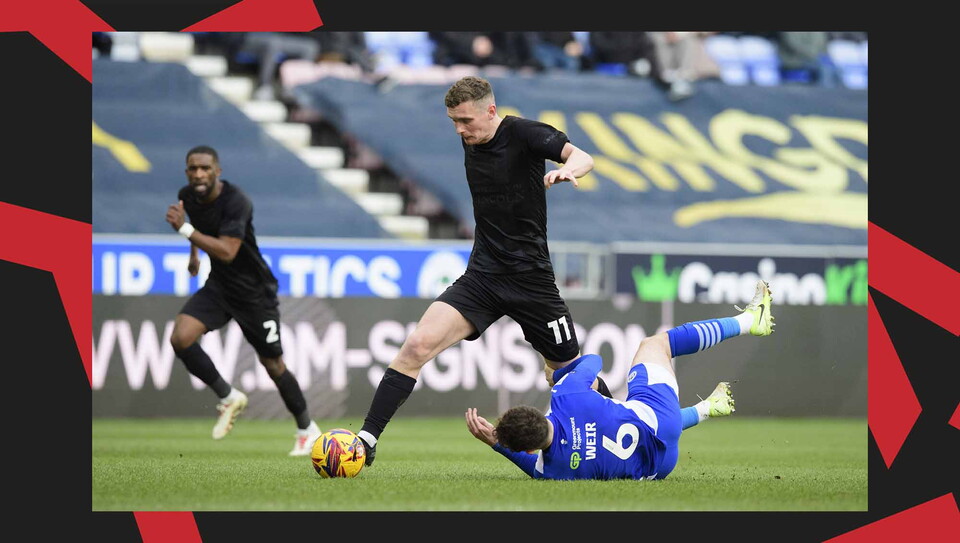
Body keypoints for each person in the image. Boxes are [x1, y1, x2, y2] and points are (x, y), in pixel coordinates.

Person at [355, 75, 596, 466]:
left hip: (532, 281)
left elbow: (581, 155)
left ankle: (627, 430)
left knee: (566, 376)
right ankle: (366, 440)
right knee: (416, 346)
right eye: (453, 121)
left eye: (466, 120)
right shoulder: (471, 135)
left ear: (491, 110)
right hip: (482, 276)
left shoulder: (524, 133)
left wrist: (569, 171)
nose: (459, 129)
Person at [465, 280, 775, 480]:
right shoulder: (565, 396)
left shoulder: (554, 472)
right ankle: (750, 321)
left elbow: (531, 469)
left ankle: (708, 408)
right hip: (659, 420)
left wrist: (496, 444)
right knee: (654, 346)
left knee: (624, 414)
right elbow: (593, 361)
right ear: (532, 412)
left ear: (530, 449)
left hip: (662, 466)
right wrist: (559, 375)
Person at [164, 145, 322, 456]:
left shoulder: (237, 201)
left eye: (205, 168)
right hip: (220, 287)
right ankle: (227, 396)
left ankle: (308, 430)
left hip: (254, 292)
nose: (198, 174)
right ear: (186, 172)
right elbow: (196, 227)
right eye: (193, 168)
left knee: (273, 364)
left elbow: (227, 250)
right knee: (180, 337)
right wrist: (193, 255)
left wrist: (184, 230)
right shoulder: (188, 194)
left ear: (217, 171)